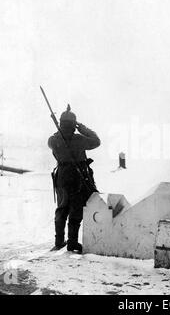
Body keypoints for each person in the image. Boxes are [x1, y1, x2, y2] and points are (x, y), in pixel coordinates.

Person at [48, 105, 100, 252]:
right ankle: (72, 242)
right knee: (76, 209)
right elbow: (96, 141)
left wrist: (60, 130)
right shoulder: (79, 139)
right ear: (73, 125)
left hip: (61, 176)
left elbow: (54, 141)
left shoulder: (53, 140)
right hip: (77, 177)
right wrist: (82, 128)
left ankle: (59, 241)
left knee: (61, 208)